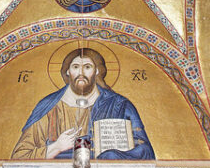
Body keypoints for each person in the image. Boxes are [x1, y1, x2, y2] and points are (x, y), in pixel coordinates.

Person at [11, 48, 154, 160]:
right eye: (75, 67)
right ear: (68, 71)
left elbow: (145, 151)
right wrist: (57, 147)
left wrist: (112, 155)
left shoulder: (120, 105)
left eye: (87, 67)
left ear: (96, 71)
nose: (81, 73)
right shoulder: (49, 107)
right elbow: (20, 156)